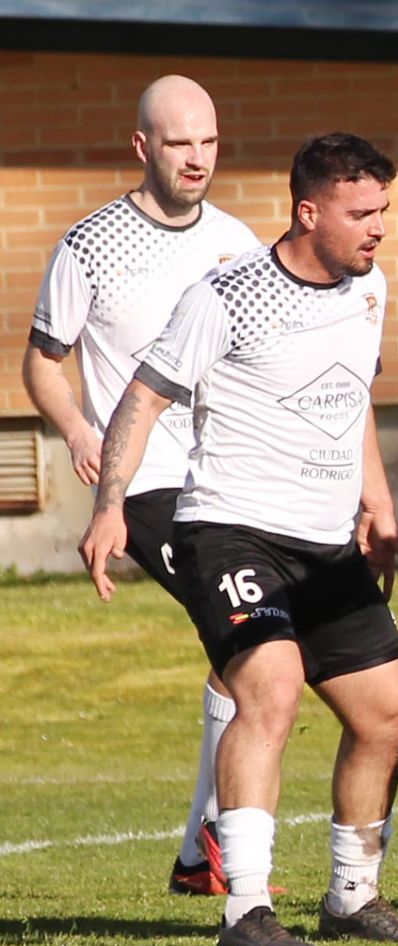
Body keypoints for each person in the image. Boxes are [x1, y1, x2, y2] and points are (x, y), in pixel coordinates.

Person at [78, 132, 398, 946]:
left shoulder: (369, 286)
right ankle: (245, 907)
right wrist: (110, 506)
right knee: (270, 689)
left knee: (386, 715)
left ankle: (353, 897)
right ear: (308, 212)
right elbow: (144, 397)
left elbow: (355, 397)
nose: (378, 227)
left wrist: (377, 506)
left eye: (384, 210)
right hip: (232, 530)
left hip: (326, 546)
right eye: (361, 213)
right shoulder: (228, 295)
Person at [22, 74, 260, 897]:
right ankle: (213, 848)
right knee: (245, 633)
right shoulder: (90, 245)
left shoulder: (238, 241)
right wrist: (83, 432)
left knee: (248, 642)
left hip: (230, 477)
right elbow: (42, 362)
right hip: (150, 483)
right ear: (142, 146)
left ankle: (203, 853)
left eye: (209, 142)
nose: (197, 159)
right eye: (178, 143)